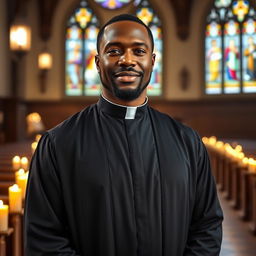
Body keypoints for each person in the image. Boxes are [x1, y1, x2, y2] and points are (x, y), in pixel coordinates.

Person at [24, 14, 223, 255]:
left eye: (138, 51)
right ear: (98, 63)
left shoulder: (187, 142)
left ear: (152, 60)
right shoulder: (58, 145)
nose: (127, 60)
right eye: (114, 51)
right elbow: (45, 238)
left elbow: (207, 226)